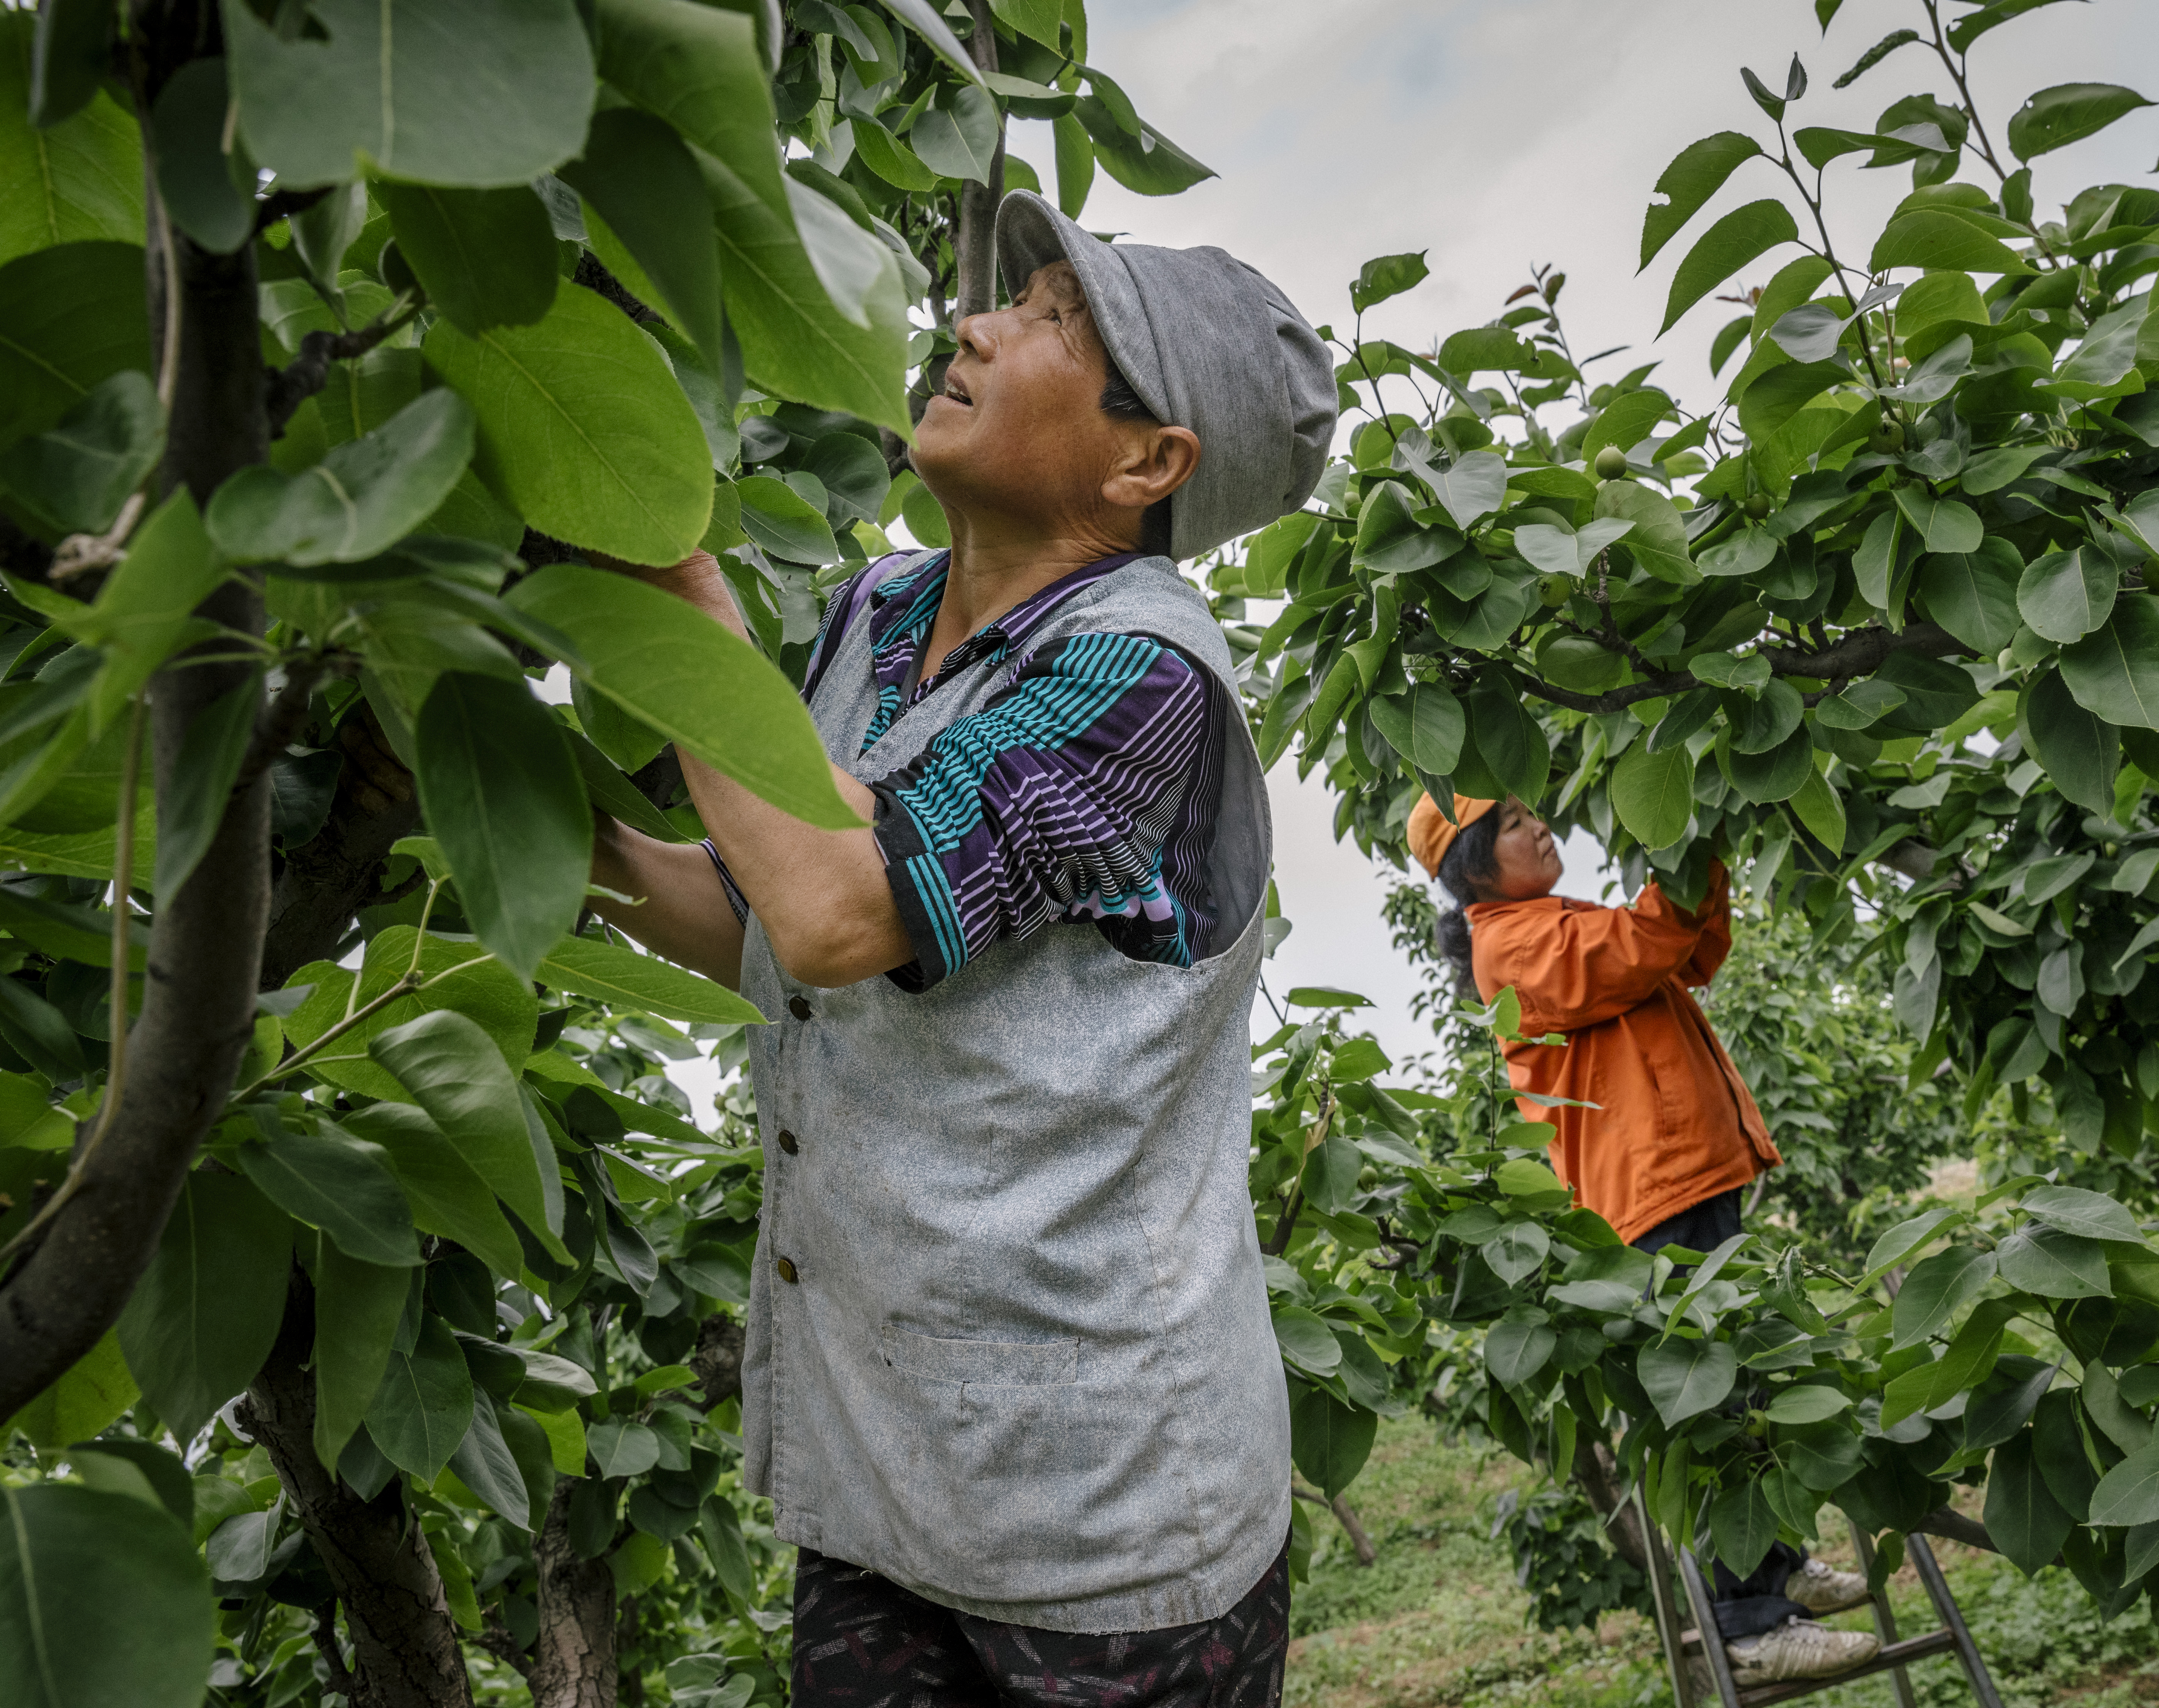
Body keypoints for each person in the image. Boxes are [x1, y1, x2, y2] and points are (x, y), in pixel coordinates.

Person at [584, 190, 1335, 1707]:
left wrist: (650, 535)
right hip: (884, 1473)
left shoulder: (1146, 673)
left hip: (1101, 1521)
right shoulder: (878, 611)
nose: (978, 322)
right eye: (1012, 301)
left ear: (1147, 462)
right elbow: (763, 926)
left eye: (1054, 320)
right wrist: (522, 830)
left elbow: (842, 906)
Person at [1409, 793, 1882, 1689]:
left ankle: (1775, 1565)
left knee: (1740, 1383)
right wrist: (1680, 842)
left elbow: (1691, 950)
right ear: (1473, 861)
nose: (1540, 826)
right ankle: (1749, 1617)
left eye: (1531, 813)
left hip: (1686, 1170)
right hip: (1649, 1188)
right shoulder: (1509, 942)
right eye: (1513, 823)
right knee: (1707, 1397)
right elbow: (1638, 949)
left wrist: (1694, 858)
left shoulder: (1554, 918)